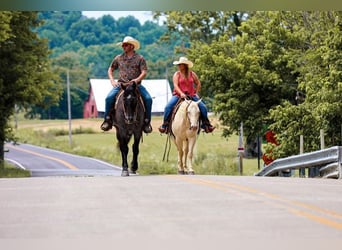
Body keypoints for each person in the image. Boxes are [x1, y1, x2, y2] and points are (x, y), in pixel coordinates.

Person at [100, 36, 152, 133]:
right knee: (109, 98)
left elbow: (144, 72)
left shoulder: (140, 58)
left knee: (148, 99)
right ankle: (107, 120)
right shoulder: (118, 58)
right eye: (123, 45)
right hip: (121, 85)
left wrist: (137, 80)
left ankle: (146, 122)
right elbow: (110, 69)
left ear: (132, 46)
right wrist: (112, 80)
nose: (123, 47)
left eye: (125, 45)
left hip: (136, 85)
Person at [158, 56, 215, 133]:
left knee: (203, 107)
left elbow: (198, 83)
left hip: (191, 95)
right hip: (178, 95)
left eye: (180, 64)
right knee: (168, 107)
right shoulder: (177, 74)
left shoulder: (192, 74)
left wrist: (196, 92)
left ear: (185, 65)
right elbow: (175, 85)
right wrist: (181, 93)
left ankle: (206, 125)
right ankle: (165, 125)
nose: (179, 66)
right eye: (179, 64)